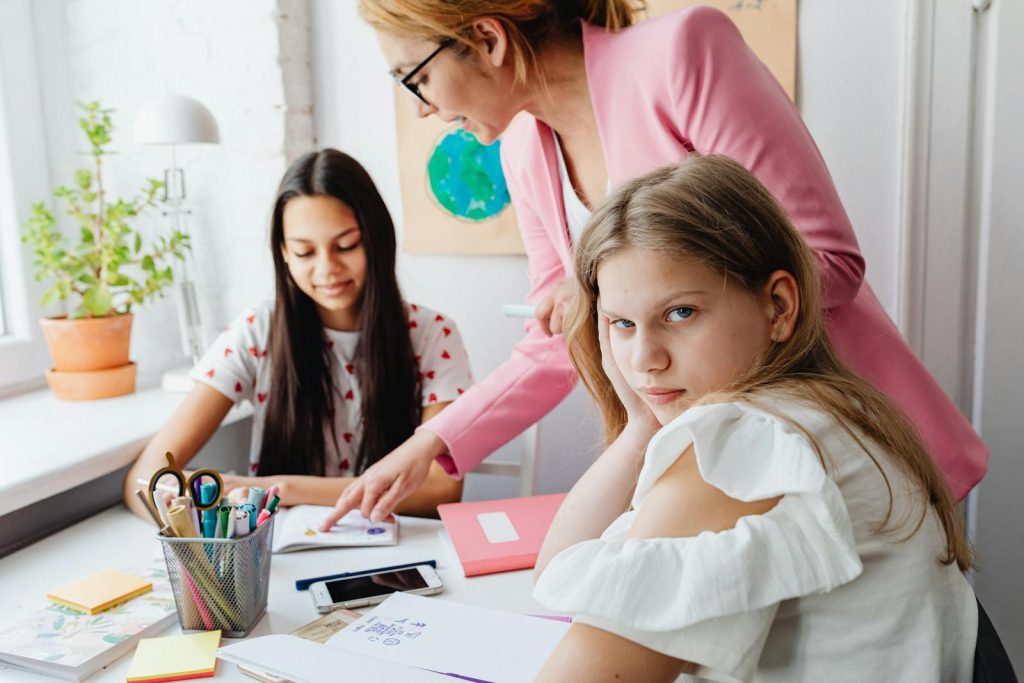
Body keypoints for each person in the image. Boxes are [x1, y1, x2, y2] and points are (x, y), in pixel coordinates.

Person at [321, 1, 986, 528]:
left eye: (417, 76)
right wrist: (431, 442)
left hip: (837, 444)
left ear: (489, 40)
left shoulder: (683, 54)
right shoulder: (525, 153)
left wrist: (625, 298)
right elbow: (552, 344)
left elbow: (829, 261)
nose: (421, 106)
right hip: (714, 471)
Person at [531, 155, 977, 681]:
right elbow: (555, 577)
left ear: (779, 306)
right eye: (622, 323)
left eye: (680, 313)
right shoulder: (822, 409)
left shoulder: (745, 442)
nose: (646, 358)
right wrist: (642, 428)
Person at [123, 149, 472, 519]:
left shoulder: (433, 335)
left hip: (401, 557)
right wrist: (189, 525)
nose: (328, 269)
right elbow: (142, 481)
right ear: (284, 254)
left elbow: (441, 487)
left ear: (377, 239)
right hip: (277, 560)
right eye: (305, 252)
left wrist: (280, 489)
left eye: (346, 246)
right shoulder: (259, 331)